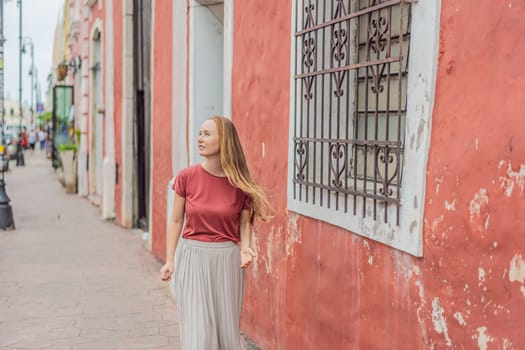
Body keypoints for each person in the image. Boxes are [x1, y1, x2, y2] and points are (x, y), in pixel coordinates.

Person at [160, 116, 272, 350]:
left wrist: (245, 249)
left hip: (227, 261)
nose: (200, 139)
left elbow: (245, 224)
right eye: (200, 133)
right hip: (193, 257)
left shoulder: (241, 184)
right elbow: (176, 219)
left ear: (225, 141)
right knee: (199, 336)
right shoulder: (187, 177)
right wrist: (170, 260)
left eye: (207, 134)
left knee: (226, 334)